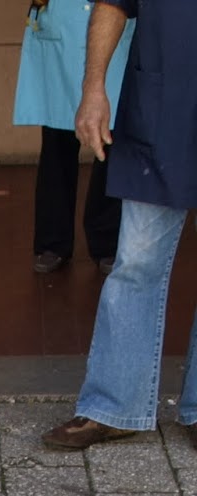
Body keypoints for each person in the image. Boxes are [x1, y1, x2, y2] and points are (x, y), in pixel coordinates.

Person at [42, 0, 197, 451]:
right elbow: (113, 3)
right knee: (136, 261)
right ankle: (113, 405)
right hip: (161, 106)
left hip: (160, 99)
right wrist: (93, 89)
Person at [14, 0, 133, 275]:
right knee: (57, 142)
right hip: (63, 24)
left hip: (114, 27)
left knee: (111, 143)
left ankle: (107, 242)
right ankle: (52, 243)